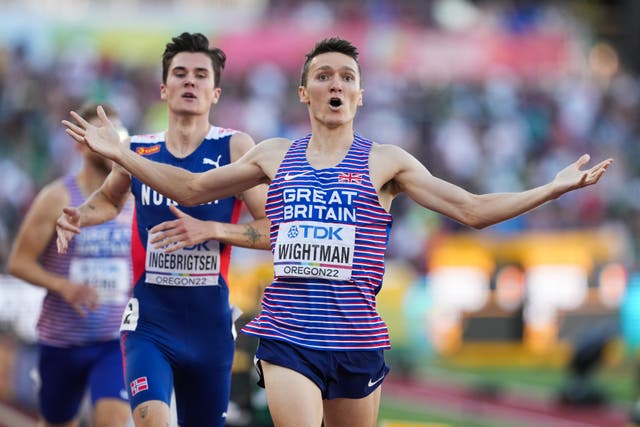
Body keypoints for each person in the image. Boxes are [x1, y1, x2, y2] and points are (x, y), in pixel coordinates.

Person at [62, 37, 613, 427]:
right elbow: (187, 188)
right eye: (322, 75)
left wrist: (552, 188)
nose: (335, 83)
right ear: (304, 93)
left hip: (357, 341)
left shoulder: (387, 163)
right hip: (287, 336)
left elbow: (470, 208)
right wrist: (122, 155)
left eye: (347, 77)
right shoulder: (273, 156)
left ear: (359, 96)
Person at [56, 32, 270, 427]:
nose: (190, 81)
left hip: (210, 329)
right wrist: (79, 215)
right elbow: (109, 200)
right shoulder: (138, 150)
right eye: (180, 73)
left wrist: (211, 229)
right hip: (149, 325)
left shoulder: (236, 149)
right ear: (163, 89)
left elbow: (275, 230)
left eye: (201, 75)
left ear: (216, 92)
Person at [7, 102, 132, 427]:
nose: (110, 141)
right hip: (62, 339)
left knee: (114, 419)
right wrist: (65, 286)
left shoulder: (133, 198)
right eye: (100, 134)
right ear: (80, 143)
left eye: (116, 133)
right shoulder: (57, 197)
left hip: (114, 338)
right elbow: (18, 263)